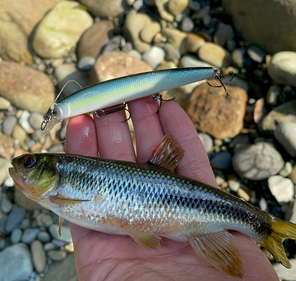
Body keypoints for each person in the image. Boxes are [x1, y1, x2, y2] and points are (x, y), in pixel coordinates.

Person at [65, 96, 279, 281]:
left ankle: (266, 229)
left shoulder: (60, 194)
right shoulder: (60, 196)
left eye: (29, 163)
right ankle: (267, 229)